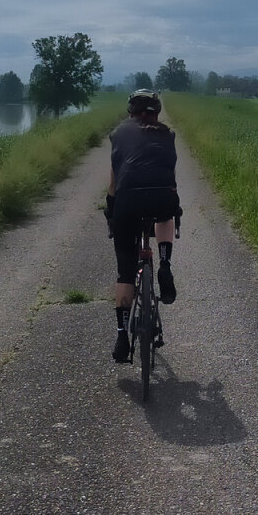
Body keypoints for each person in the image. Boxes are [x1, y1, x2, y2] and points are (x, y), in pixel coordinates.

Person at [104, 89, 181, 362]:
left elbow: (113, 184)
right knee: (165, 214)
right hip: (162, 197)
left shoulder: (119, 134)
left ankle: (122, 337)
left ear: (130, 112)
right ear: (156, 113)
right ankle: (164, 263)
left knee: (125, 274)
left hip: (128, 202)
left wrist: (111, 211)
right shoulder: (168, 134)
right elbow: (170, 178)